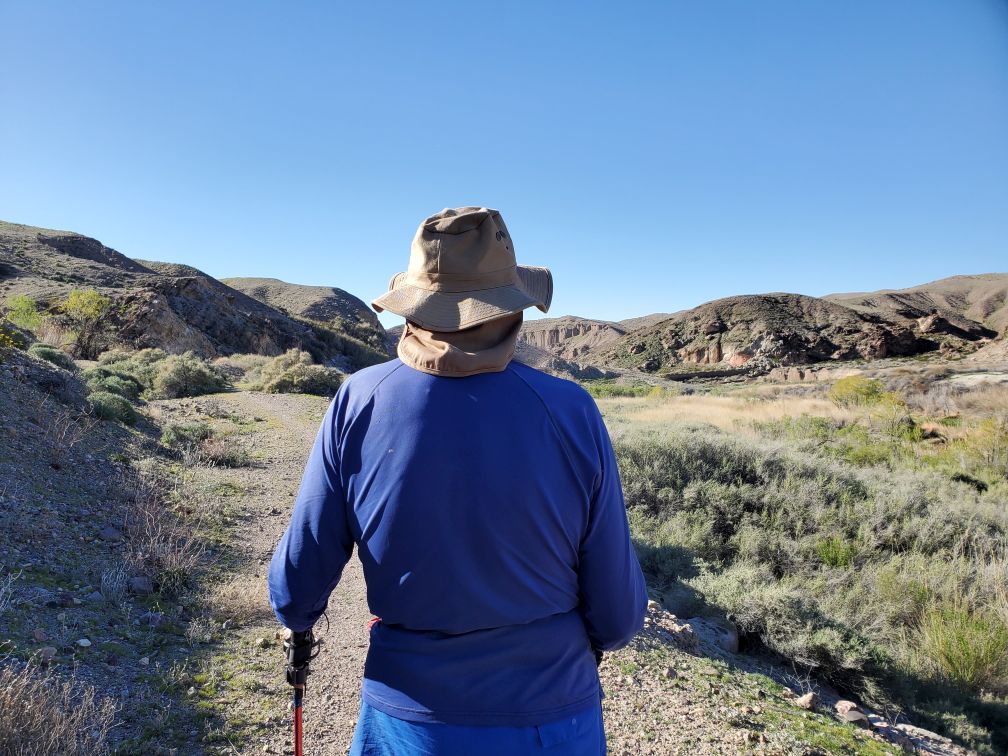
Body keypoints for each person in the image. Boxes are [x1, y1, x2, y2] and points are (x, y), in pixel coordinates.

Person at [268, 206, 648, 755]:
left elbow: (299, 578)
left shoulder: (359, 400)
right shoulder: (570, 410)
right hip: (551, 717)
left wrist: (297, 619)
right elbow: (616, 614)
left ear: (414, 310)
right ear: (511, 309)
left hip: (410, 719)